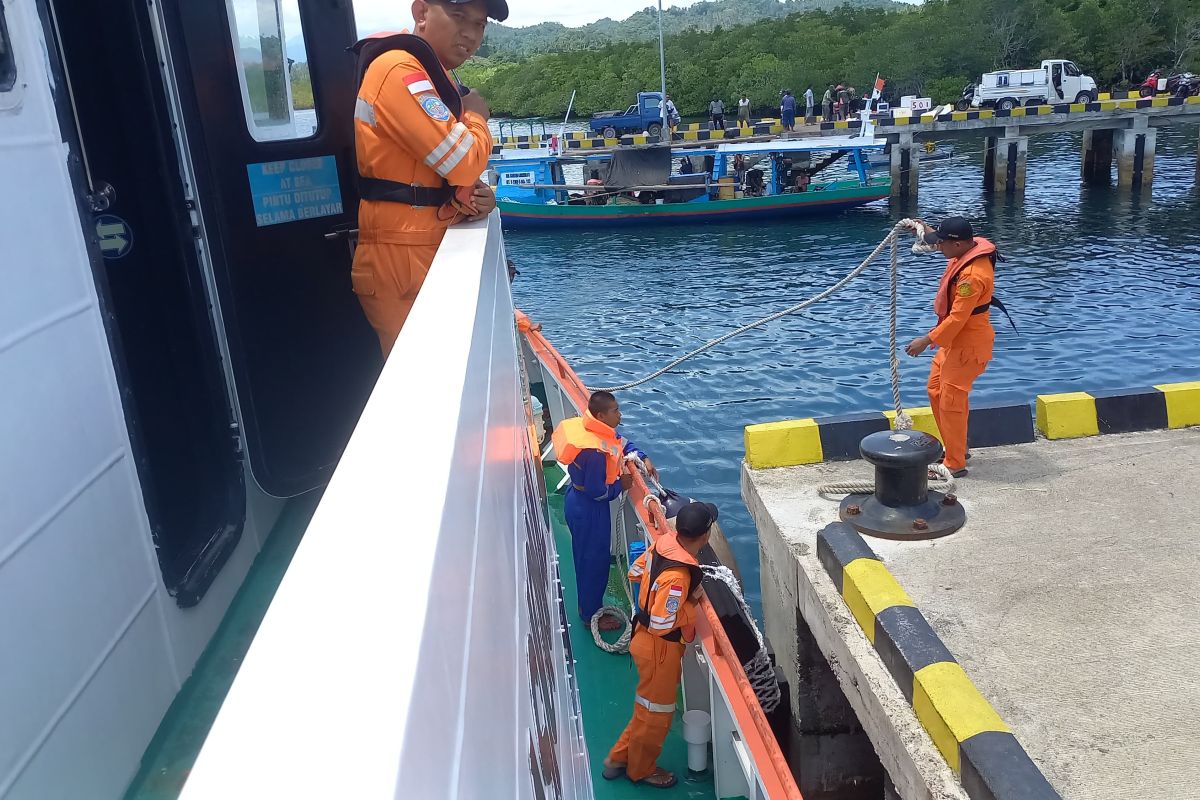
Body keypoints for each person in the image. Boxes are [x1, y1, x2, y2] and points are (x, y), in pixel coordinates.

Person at [351, 0, 505, 357]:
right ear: (421, 12)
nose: (470, 33)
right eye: (458, 16)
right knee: (420, 381)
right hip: (401, 258)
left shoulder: (432, 75)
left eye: (480, 24)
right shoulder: (398, 71)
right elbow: (463, 162)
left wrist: (473, 200)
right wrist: (477, 117)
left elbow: (431, 172)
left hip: (422, 246)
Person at [602, 501, 715, 789]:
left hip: (645, 642)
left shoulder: (663, 543)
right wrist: (691, 604)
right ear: (705, 535)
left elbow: (636, 570)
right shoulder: (678, 578)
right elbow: (663, 623)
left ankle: (618, 758)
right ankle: (641, 770)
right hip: (659, 651)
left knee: (646, 710)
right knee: (657, 716)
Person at [552, 392, 658, 629]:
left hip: (577, 500)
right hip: (589, 509)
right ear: (601, 415)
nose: (620, 416)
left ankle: (588, 608)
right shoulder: (594, 453)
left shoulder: (595, 429)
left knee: (587, 557)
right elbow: (597, 491)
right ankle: (590, 616)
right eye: (615, 411)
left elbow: (621, 442)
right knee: (593, 562)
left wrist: (643, 456)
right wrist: (621, 485)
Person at [905, 217, 1001, 478]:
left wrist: (926, 341)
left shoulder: (973, 277)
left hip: (968, 344)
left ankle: (954, 463)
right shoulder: (965, 249)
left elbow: (958, 317)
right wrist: (924, 228)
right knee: (935, 390)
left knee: (951, 400)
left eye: (942, 244)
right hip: (954, 343)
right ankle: (955, 447)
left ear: (957, 244)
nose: (939, 249)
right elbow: (941, 242)